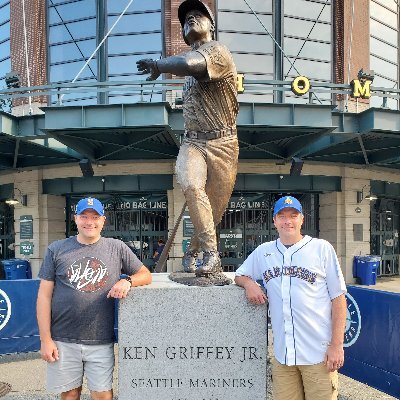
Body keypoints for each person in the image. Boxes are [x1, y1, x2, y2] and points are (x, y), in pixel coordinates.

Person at [137, 0, 239, 277]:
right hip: (193, 142)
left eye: (198, 15)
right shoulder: (188, 77)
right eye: (186, 18)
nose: (191, 19)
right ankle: (212, 255)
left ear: (211, 25)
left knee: (213, 212)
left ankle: (193, 251)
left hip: (223, 144)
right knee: (192, 186)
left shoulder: (217, 51)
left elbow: (190, 63)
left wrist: (159, 64)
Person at [36, 197, 152, 400]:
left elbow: (146, 274)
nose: (89, 222)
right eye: (84, 216)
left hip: (100, 338)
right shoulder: (57, 249)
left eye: (95, 217)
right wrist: (46, 340)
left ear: (103, 220)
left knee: (102, 395)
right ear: (76, 219)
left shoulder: (116, 248)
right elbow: (44, 296)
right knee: (70, 394)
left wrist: (127, 281)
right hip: (63, 338)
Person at [235, 195, 347, 400]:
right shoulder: (264, 252)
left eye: (293, 215)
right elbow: (240, 274)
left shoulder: (321, 249)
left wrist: (337, 346)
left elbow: (338, 299)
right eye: (282, 216)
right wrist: (249, 283)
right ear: (274, 221)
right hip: (283, 356)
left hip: (318, 355)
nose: (288, 221)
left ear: (302, 219)